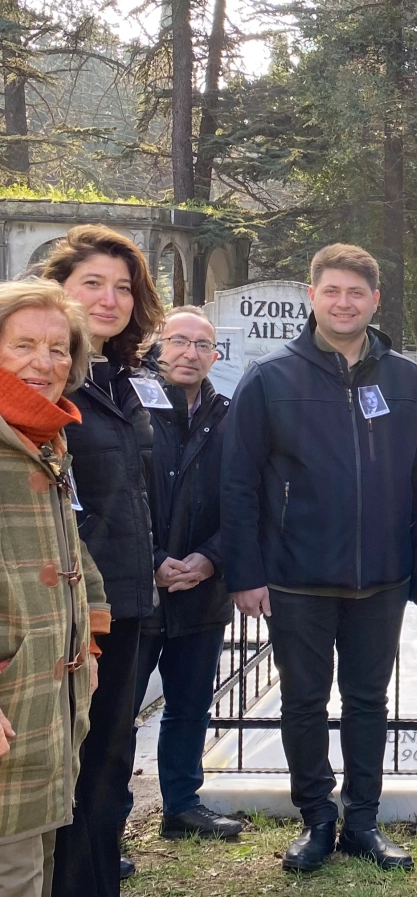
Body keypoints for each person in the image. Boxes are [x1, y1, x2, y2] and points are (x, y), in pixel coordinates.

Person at [220, 244, 417, 873]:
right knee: (304, 703)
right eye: (332, 292)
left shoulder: (403, 380)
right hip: (297, 577)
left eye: (356, 293)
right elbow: (238, 484)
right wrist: (247, 572)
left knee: (369, 701)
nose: (344, 303)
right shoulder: (270, 379)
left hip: (383, 578)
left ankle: (362, 820)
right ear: (312, 297)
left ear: (375, 301)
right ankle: (317, 816)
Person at [36, 225, 165, 897]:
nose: (109, 299)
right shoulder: (52, 381)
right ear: (60, 288)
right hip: (77, 605)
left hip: (129, 597)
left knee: (112, 766)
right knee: (75, 772)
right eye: (93, 284)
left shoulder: (118, 378)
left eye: (122, 287)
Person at [0, 280, 106, 897]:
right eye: (23, 345)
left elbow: (72, 557)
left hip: (44, 693)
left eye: (58, 347)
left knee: (24, 877)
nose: (45, 362)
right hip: (9, 700)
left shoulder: (42, 437)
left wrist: (90, 638)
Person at [137, 307, 242, 841]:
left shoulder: (229, 415)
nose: (190, 353)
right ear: (158, 348)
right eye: (179, 342)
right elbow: (115, 497)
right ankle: (101, 820)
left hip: (204, 588)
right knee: (116, 714)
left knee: (189, 707)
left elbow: (245, 498)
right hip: (138, 589)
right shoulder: (130, 405)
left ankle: (181, 804)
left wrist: (211, 558)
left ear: (215, 356)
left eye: (203, 345)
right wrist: (152, 559)